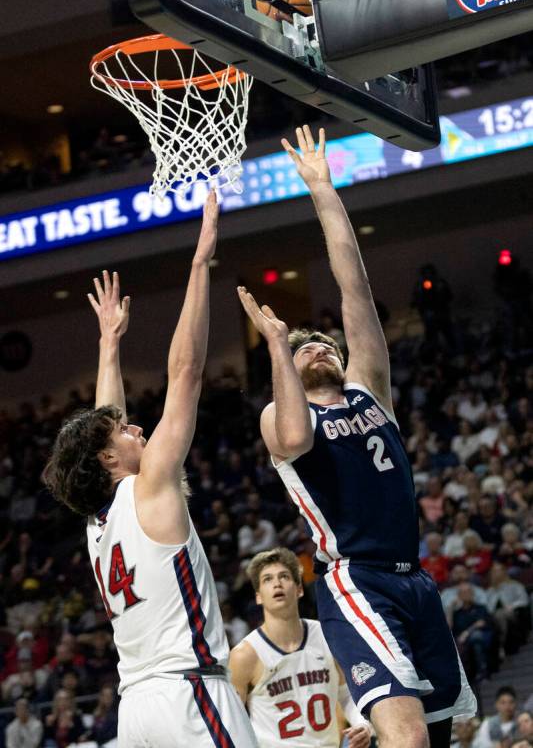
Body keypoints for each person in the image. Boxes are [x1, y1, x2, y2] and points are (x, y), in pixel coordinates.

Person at [236, 125, 476, 748]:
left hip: (414, 580)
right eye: (303, 345)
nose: (319, 343)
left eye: (326, 343)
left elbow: (355, 291)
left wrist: (322, 189)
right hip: (355, 579)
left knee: (441, 736)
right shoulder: (283, 417)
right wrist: (276, 349)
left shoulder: (370, 391)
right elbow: (289, 432)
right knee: (408, 737)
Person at [44, 193, 257, 748]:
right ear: (110, 460)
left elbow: (103, 424)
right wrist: (199, 261)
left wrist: (109, 345)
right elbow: (185, 374)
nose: (137, 428)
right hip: (188, 696)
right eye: (126, 432)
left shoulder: (96, 519)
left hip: (135, 710)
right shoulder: (149, 486)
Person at [229, 547, 371, 748]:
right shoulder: (245, 655)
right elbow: (231, 722)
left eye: (284, 576)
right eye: (267, 579)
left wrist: (362, 724)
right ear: (258, 596)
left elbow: (346, 694)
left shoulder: (327, 635)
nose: (277, 583)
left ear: (299, 589)